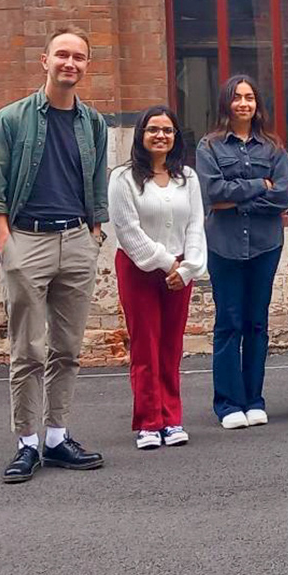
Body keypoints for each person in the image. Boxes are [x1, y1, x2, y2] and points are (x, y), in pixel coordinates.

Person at [0, 28, 111, 484]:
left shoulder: (93, 123)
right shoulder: (11, 120)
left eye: (79, 57)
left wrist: (94, 235)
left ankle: (56, 437)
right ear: (45, 60)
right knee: (28, 350)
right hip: (26, 241)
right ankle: (26, 443)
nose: (70, 63)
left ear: (87, 65)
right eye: (62, 55)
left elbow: (97, 185)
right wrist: (7, 248)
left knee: (67, 349)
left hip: (76, 241)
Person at [196, 74, 288, 430]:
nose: (243, 103)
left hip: (265, 246)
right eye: (236, 97)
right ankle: (227, 403)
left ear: (257, 104)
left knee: (256, 323)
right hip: (223, 247)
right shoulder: (209, 147)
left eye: (249, 97)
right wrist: (258, 185)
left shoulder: (273, 147)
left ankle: (254, 399)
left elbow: (283, 195)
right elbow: (212, 192)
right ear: (226, 102)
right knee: (228, 323)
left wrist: (236, 199)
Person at [107, 106, 206, 450]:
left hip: (180, 273)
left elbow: (195, 225)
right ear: (141, 135)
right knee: (145, 346)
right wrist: (168, 264)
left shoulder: (187, 178)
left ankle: (172, 418)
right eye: (153, 129)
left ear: (176, 136)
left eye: (167, 130)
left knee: (171, 346)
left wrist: (189, 268)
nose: (160, 136)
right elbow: (127, 230)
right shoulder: (123, 178)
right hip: (139, 270)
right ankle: (149, 422)